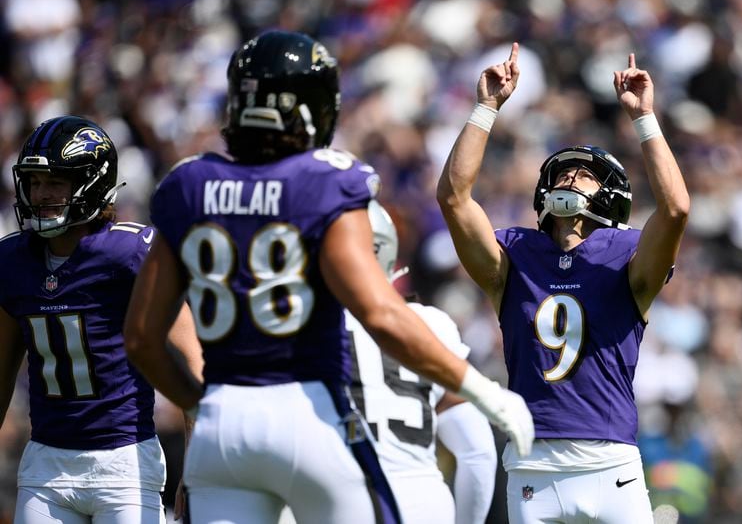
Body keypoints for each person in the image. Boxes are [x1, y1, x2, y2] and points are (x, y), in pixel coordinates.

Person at [122, 30, 533, 524]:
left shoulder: (189, 183)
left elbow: (143, 338)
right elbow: (380, 314)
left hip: (222, 427)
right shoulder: (326, 178)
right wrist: (479, 387)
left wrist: (203, 403)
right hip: (306, 413)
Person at [436, 43, 690, 524]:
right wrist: (486, 108)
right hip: (534, 462)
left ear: (611, 200)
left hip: (612, 461)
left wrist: (645, 118)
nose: (572, 176)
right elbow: (453, 198)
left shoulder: (626, 258)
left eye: (587, 176)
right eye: (566, 171)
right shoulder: (515, 257)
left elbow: (676, 208)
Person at [0, 116, 202, 524]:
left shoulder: (130, 252)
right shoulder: (11, 261)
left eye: (55, 182)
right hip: (45, 466)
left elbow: (193, 356)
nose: (41, 194)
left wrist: (198, 463)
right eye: (35, 182)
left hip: (123, 460)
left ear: (91, 184)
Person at [350, 201, 498, 524]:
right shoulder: (432, 324)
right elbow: (479, 454)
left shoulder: (311, 330)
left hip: (346, 500)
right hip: (424, 501)